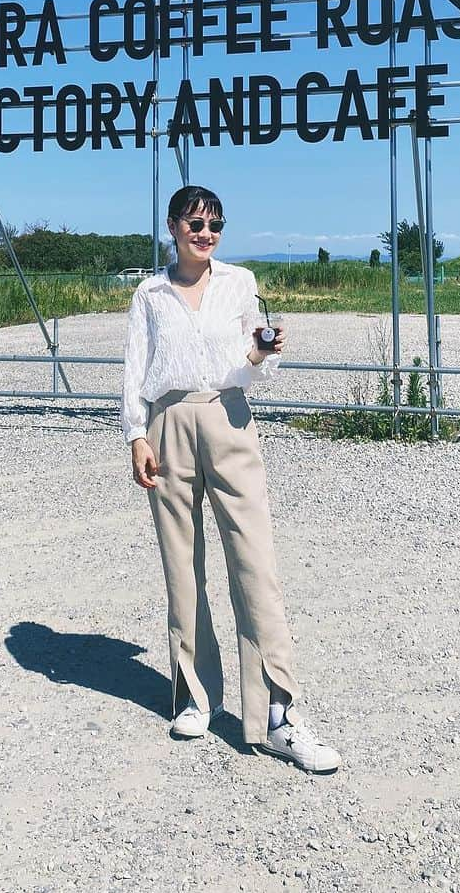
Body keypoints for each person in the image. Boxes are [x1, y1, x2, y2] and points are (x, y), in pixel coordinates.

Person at [121, 184, 341, 774]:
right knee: (181, 565)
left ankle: (277, 714)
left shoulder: (240, 283)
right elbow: (135, 369)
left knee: (254, 564)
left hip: (230, 416)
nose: (206, 231)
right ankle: (195, 695)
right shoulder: (149, 293)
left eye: (215, 223)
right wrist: (136, 434)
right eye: (195, 221)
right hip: (167, 420)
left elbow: (251, 359)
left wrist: (262, 354)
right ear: (172, 225)